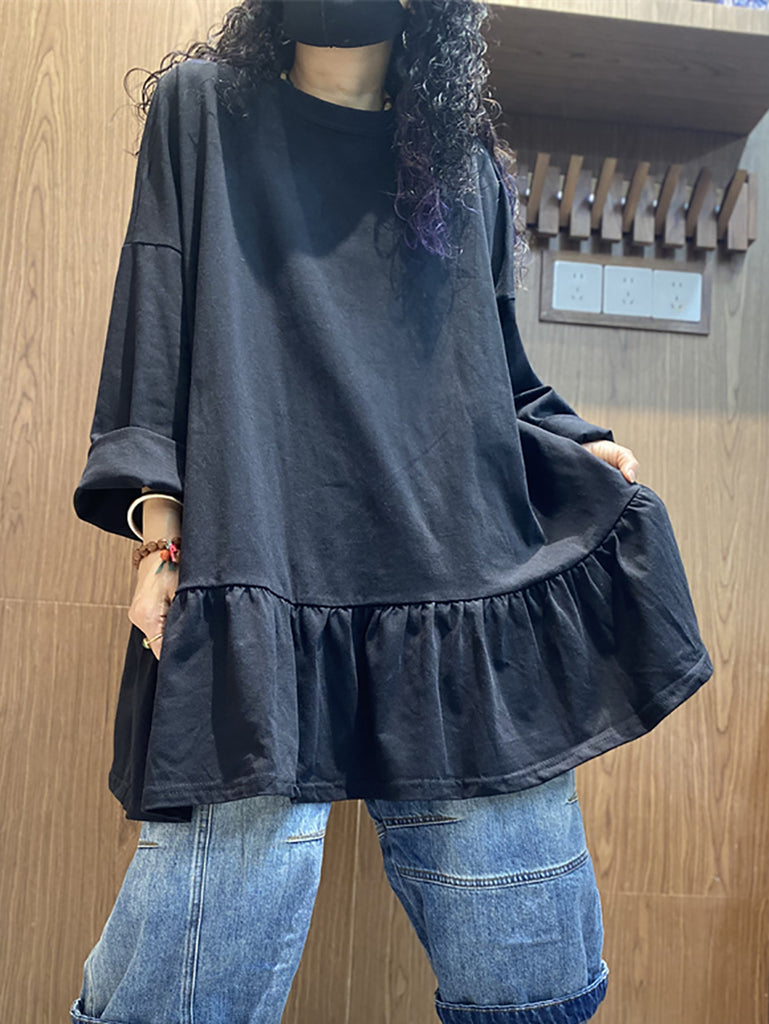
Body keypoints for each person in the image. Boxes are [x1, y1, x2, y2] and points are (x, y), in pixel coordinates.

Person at [70, 1, 713, 1021]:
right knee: (191, 987)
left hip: (457, 575)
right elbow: (157, 311)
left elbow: (499, 373)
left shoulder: (464, 167)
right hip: (261, 559)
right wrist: (159, 538)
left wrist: (579, 444)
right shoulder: (205, 113)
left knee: (532, 985)